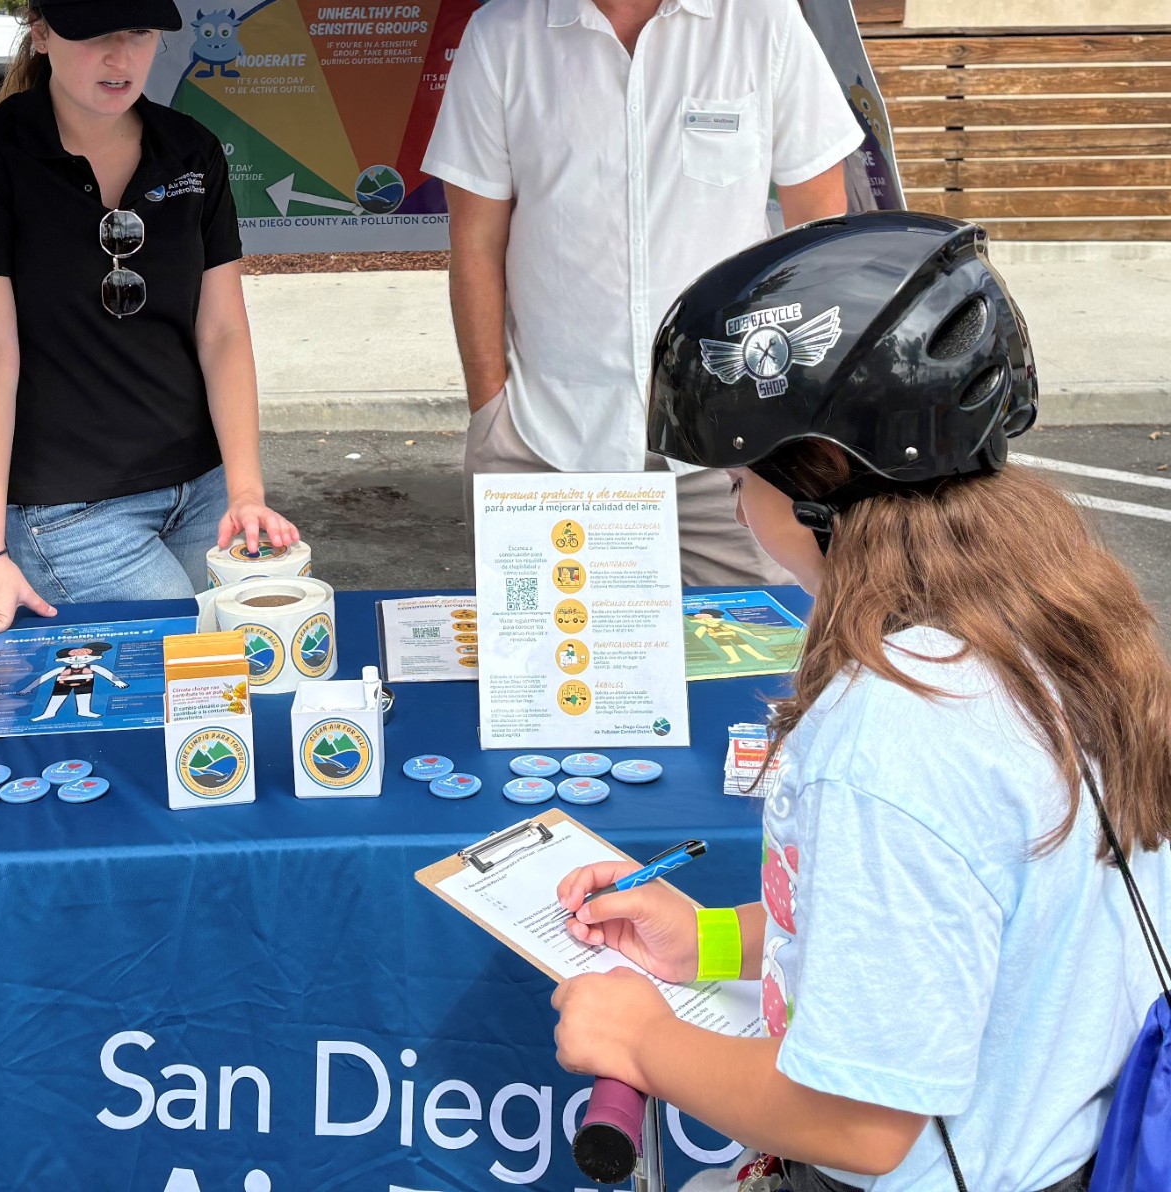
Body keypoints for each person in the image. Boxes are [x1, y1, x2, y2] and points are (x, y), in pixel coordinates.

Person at [551, 212, 1171, 1190]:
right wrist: (705, 937)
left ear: (818, 480)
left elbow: (858, 1118)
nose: (728, 496)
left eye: (734, 473)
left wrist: (643, 1041)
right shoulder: (1042, 619)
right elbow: (922, 925)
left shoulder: (890, 733)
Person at [422, 0, 864, 586]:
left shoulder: (763, 21)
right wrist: (490, 410)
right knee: (545, 673)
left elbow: (818, 231)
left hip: (737, 453)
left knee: (762, 664)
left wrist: (794, 414)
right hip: (543, 442)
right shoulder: (503, 35)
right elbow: (475, 241)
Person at [0, 0, 297, 645]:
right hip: (68, 511)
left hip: (204, 490)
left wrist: (246, 490)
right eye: (93, 34)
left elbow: (223, 334)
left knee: (265, 656)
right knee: (198, 661)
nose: (119, 56)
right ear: (41, 33)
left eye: (140, 33)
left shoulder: (190, 150)